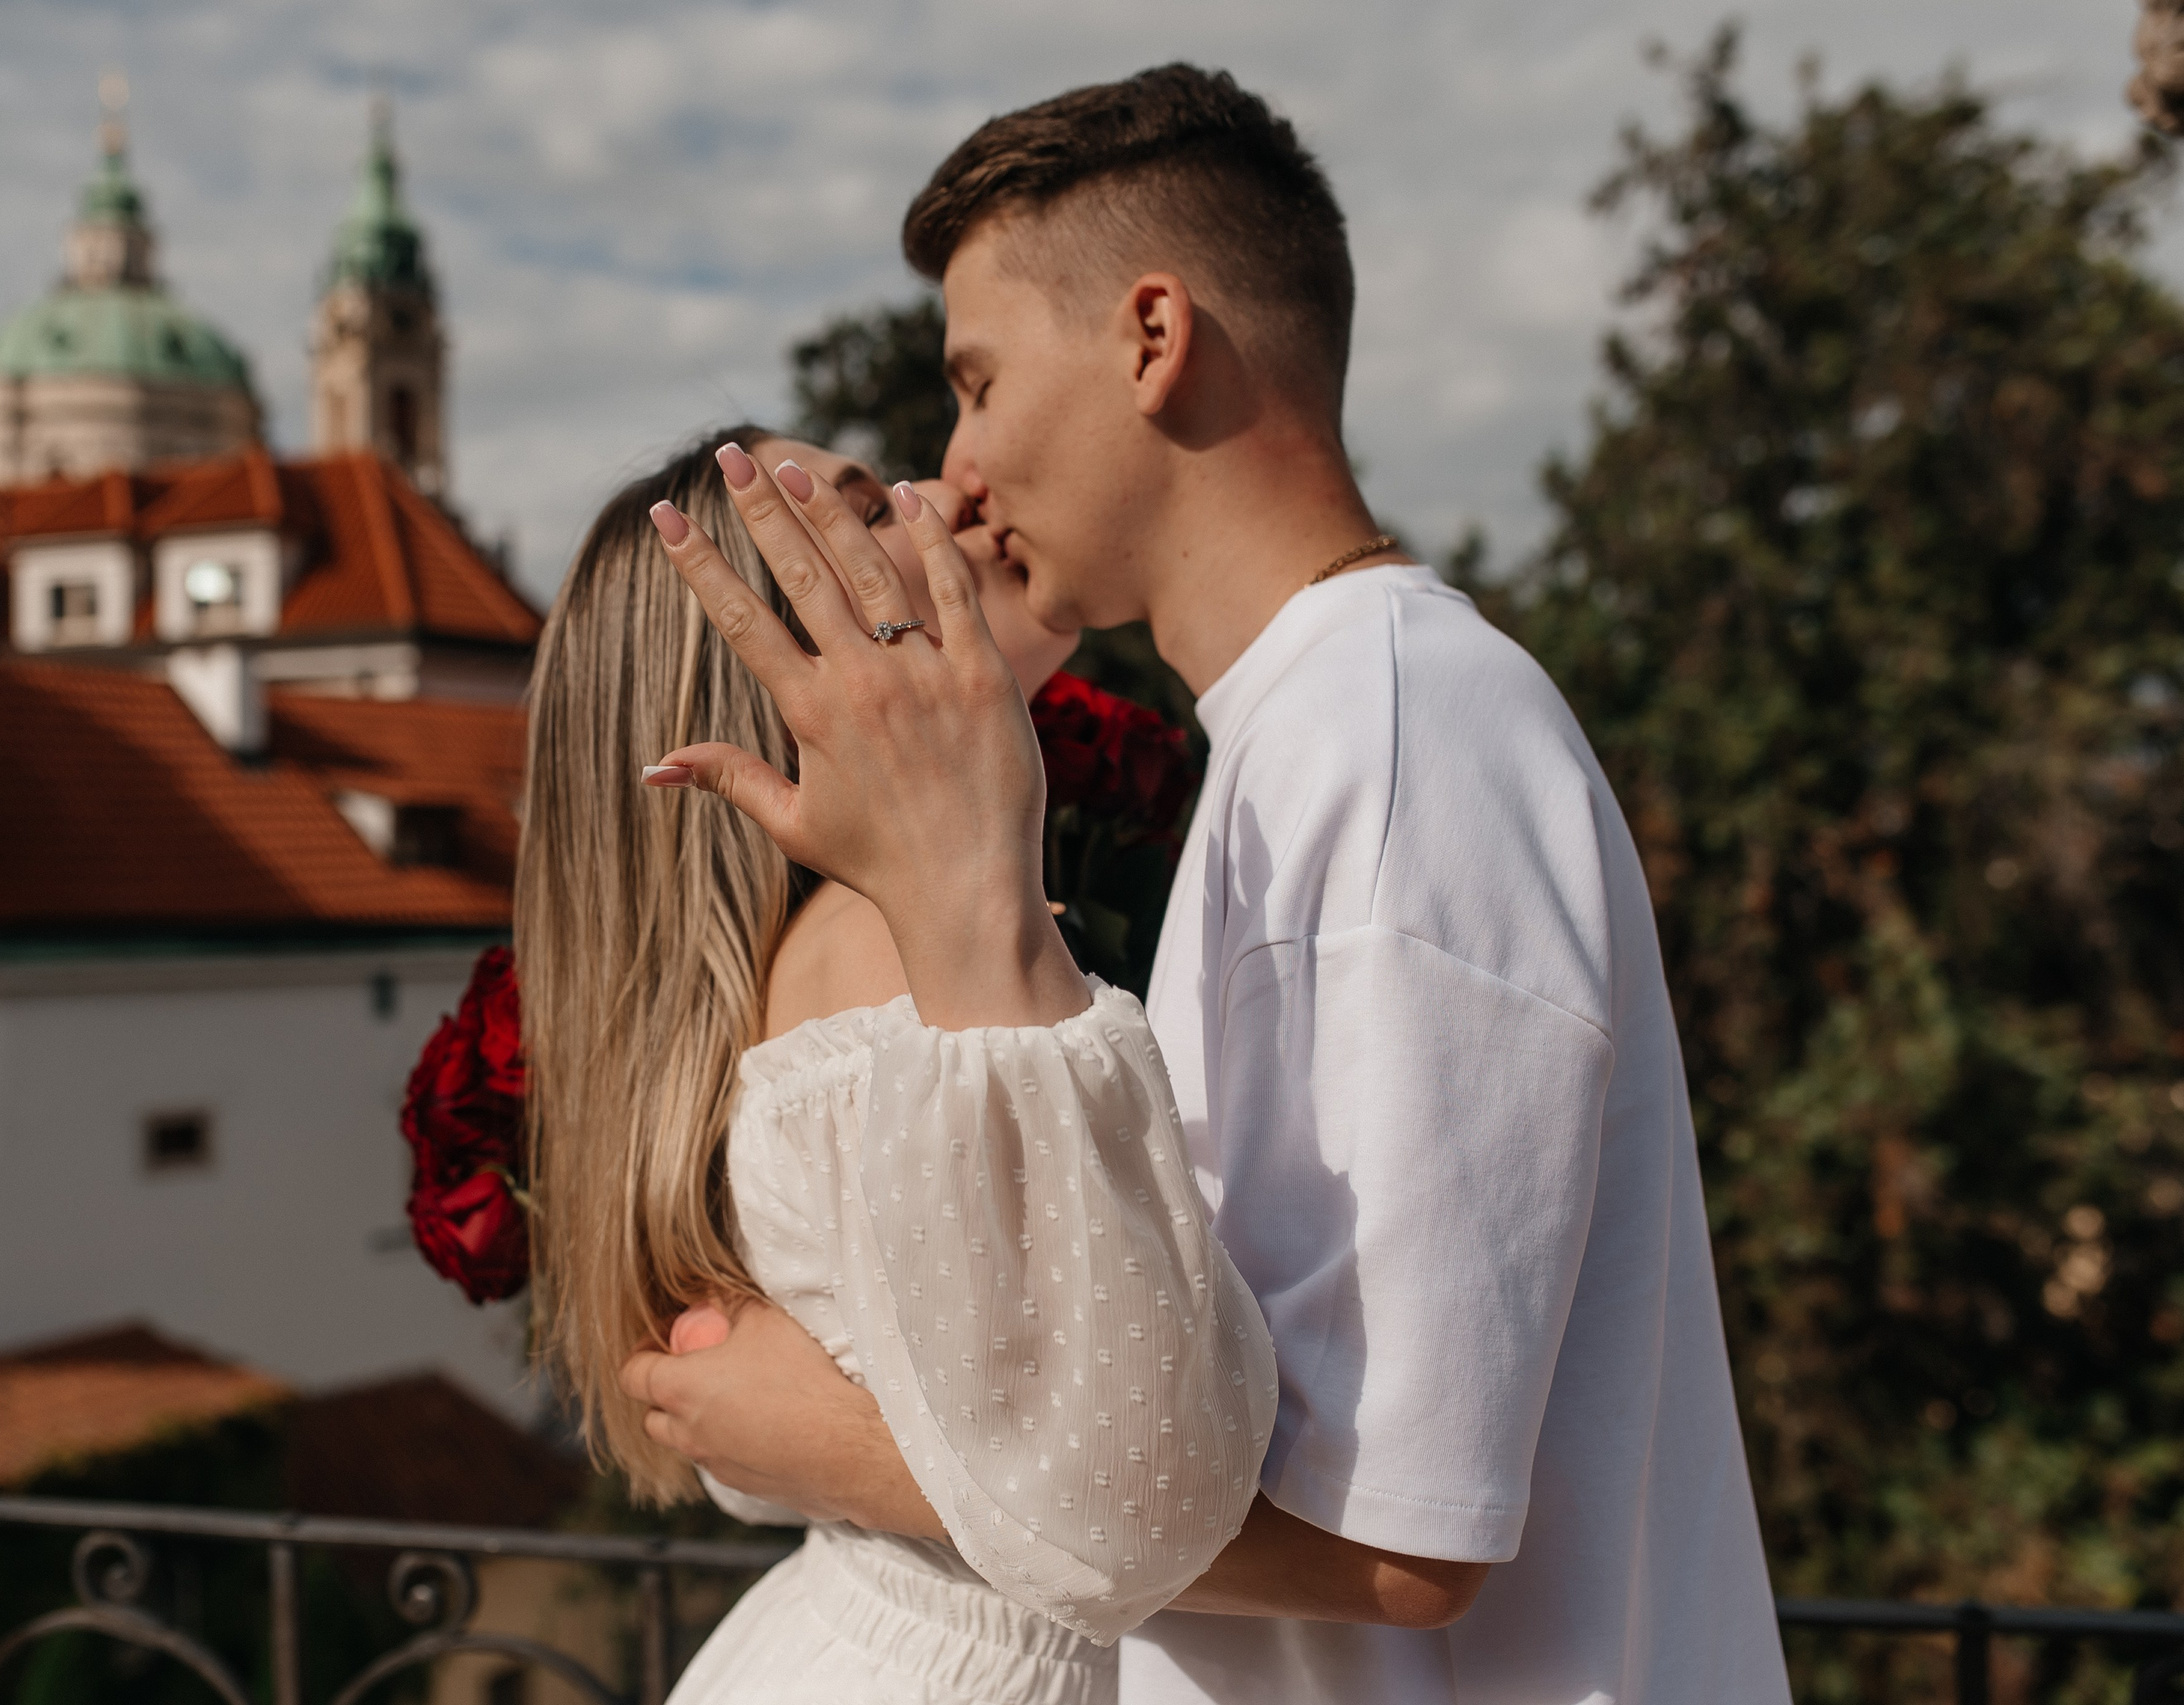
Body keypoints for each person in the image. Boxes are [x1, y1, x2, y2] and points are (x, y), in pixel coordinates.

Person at [628, 66, 1794, 1703]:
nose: (959, 473)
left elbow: (1399, 1536)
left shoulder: (1392, 747)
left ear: (1154, 338)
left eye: (978, 383)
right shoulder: (1311, 740)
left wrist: (855, 1454)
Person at [517, 425, 1277, 1705]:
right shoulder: (892, 953)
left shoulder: (839, 957)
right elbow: (1131, 1490)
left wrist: (843, 1451)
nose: (943, 496)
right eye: (868, 510)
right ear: (774, 663)